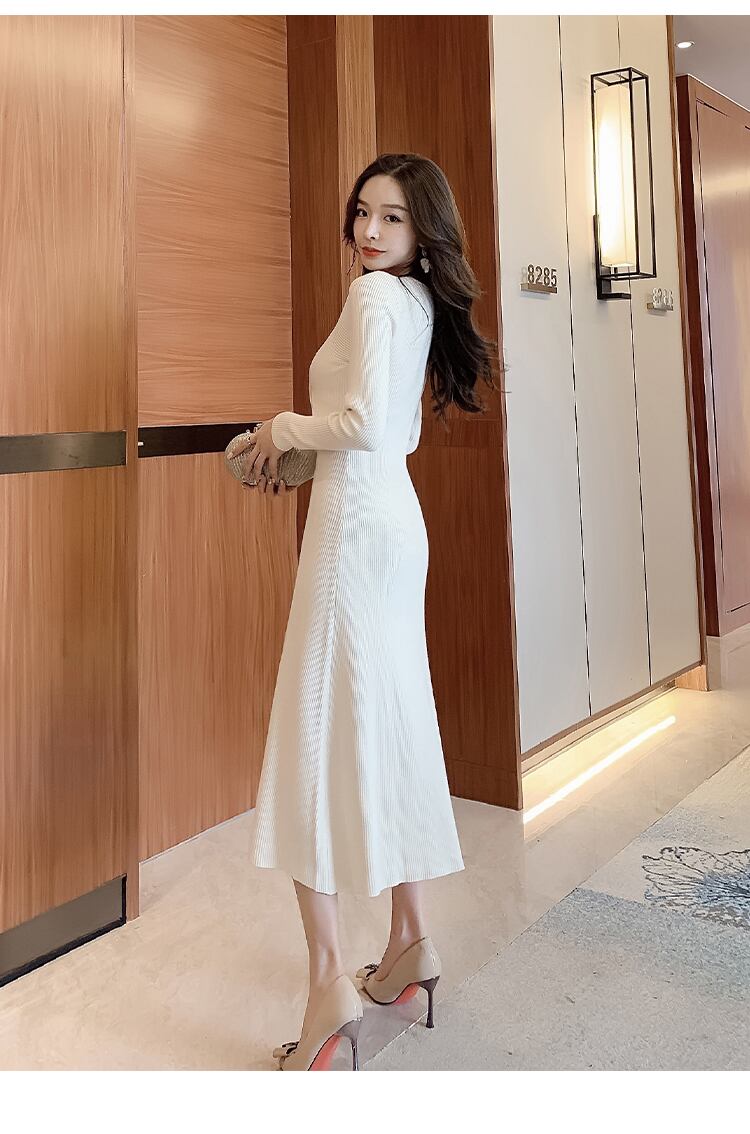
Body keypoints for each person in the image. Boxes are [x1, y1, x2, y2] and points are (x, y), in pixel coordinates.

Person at [227, 153, 498, 1071]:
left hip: (353, 532)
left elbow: (365, 427)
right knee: (392, 720)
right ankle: (411, 941)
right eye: (362, 213)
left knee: (313, 736)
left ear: (423, 230)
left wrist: (280, 429)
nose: (370, 232)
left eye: (393, 217)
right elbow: (379, 425)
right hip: (391, 525)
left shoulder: (377, 297)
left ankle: (328, 986)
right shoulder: (415, 300)